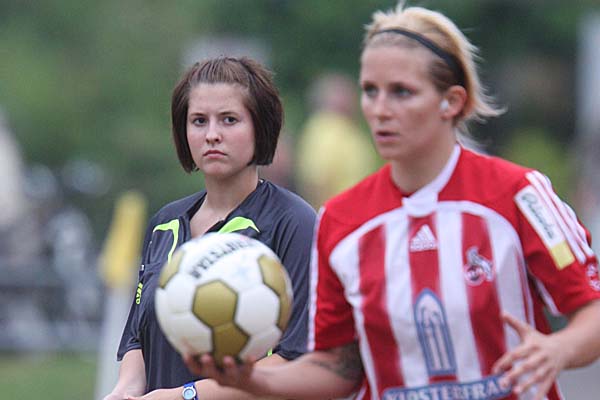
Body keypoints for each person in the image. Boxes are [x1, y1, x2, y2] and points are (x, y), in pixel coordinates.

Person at [184, 3, 600, 400]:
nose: (380, 109)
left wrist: (558, 349)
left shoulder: (518, 195)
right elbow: (338, 366)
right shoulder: (341, 220)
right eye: (370, 91)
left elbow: (591, 311)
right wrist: (254, 380)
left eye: (401, 92)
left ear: (452, 101)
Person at [103, 56, 316, 400]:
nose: (212, 135)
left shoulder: (294, 222)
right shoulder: (165, 224)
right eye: (199, 121)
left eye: (229, 120)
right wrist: (124, 391)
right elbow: (137, 339)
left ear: (260, 126)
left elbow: (295, 362)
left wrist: (185, 396)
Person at [296, 72, 379, 209]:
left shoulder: (349, 129)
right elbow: (315, 180)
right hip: (339, 214)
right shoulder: (325, 127)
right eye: (343, 93)